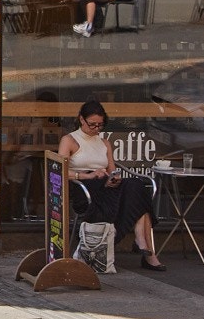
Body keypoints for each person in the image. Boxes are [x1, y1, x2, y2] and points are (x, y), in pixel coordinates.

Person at [58, 100, 164, 271]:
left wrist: (113, 179)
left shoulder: (104, 142)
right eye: (92, 124)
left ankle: (140, 238)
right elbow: (60, 171)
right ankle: (148, 251)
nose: (96, 129)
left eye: (100, 125)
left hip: (105, 186)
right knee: (137, 200)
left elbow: (112, 171)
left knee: (136, 186)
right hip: (83, 187)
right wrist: (87, 175)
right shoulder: (69, 140)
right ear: (81, 120)